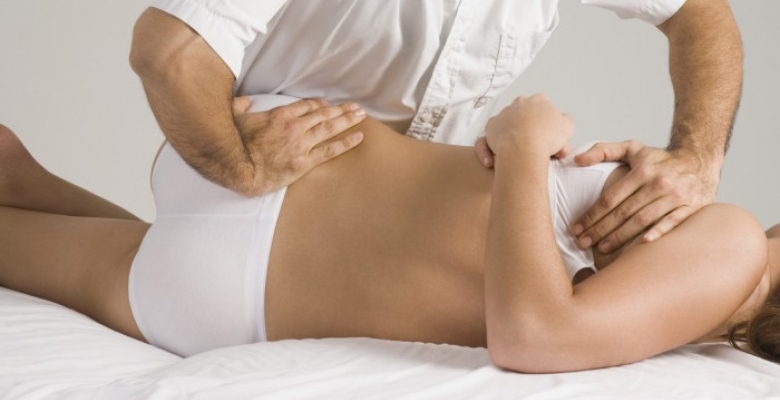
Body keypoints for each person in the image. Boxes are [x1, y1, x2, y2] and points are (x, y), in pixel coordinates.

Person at [0, 94, 777, 373]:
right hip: (229, 276)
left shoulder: (736, 247)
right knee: (25, 202)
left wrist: (520, 149)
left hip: (262, 235)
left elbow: (535, 335)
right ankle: (30, 188)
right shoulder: (705, 299)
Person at [129, 0, 744, 256]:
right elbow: (169, 54)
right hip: (261, 218)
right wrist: (240, 167)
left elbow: (700, 14)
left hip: (413, 230)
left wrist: (698, 160)